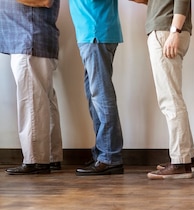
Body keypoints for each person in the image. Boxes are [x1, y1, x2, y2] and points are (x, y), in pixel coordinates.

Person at [131, 0, 194, 180]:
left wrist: (175, 31)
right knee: (173, 97)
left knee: (170, 100)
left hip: (167, 30)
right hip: (167, 29)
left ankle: (180, 162)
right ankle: (187, 158)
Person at [1, 0, 63, 175]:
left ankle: (36, 160)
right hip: (30, 40)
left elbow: (44, 1)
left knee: (32, 101)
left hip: (29, 40)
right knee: (43, 101)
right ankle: (50, 157)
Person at [70, 0, 125, 176]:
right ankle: (103, 153)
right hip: (92, 33)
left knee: (101, 97)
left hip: (95, 32)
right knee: (95, 97)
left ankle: (110, 156)